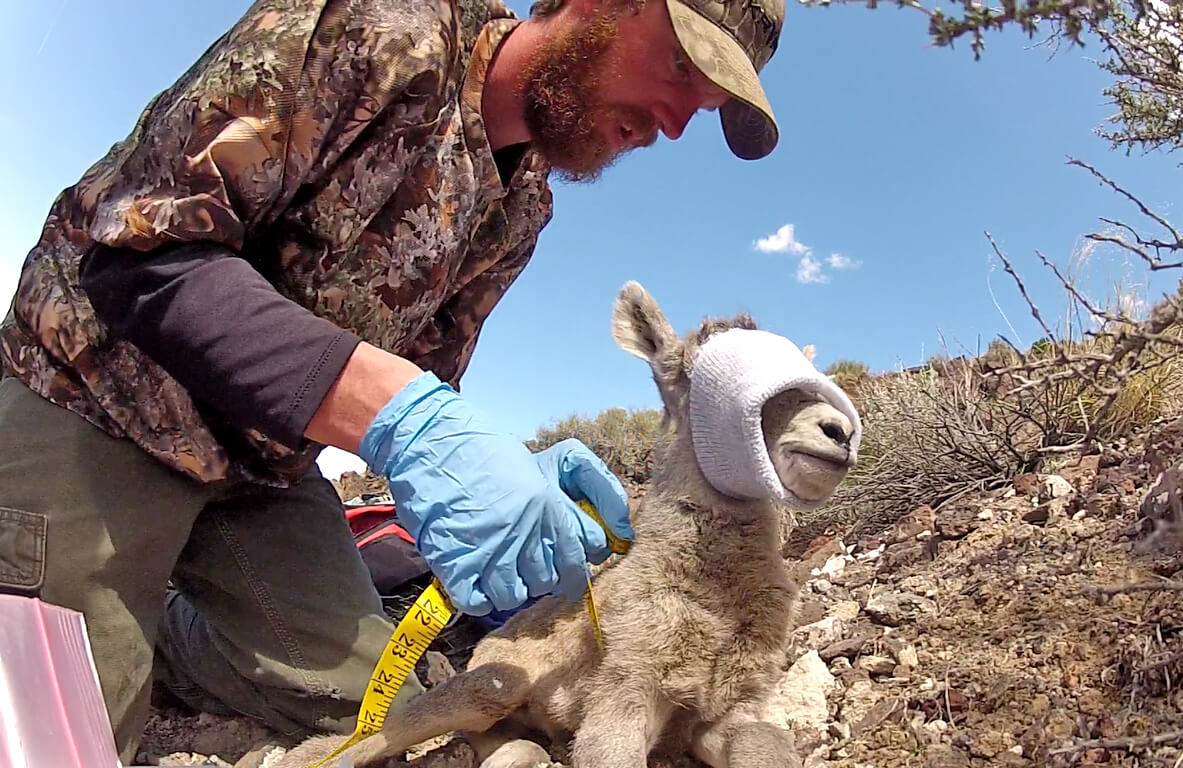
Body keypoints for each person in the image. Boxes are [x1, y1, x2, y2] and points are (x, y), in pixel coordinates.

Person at [0, 0, 785, 761]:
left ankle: (167, 633)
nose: (679, 123)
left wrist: (487, 475)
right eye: (682, 66)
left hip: (258, 470)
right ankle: (117, 616)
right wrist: (411, 419)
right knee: (56, 735)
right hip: (99, 400)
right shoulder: (389, 23)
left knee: (383, 696)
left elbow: (417, 378)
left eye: (706, 105)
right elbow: (141, 257)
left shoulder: (522, 206)